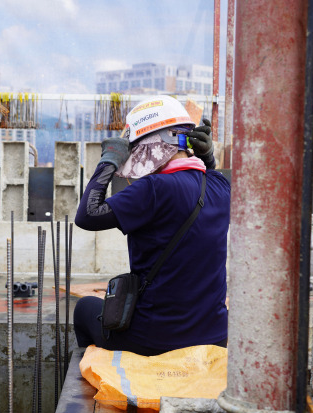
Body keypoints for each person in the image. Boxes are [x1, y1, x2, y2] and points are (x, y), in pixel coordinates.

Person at [73, 95, 230, 356]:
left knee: (84, 309)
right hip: (214, 337)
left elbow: (87, 215)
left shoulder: (154, 189)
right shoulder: (221, 187)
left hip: (155, 340)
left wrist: (108, 161)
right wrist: (208, 159)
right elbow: (206, 176)